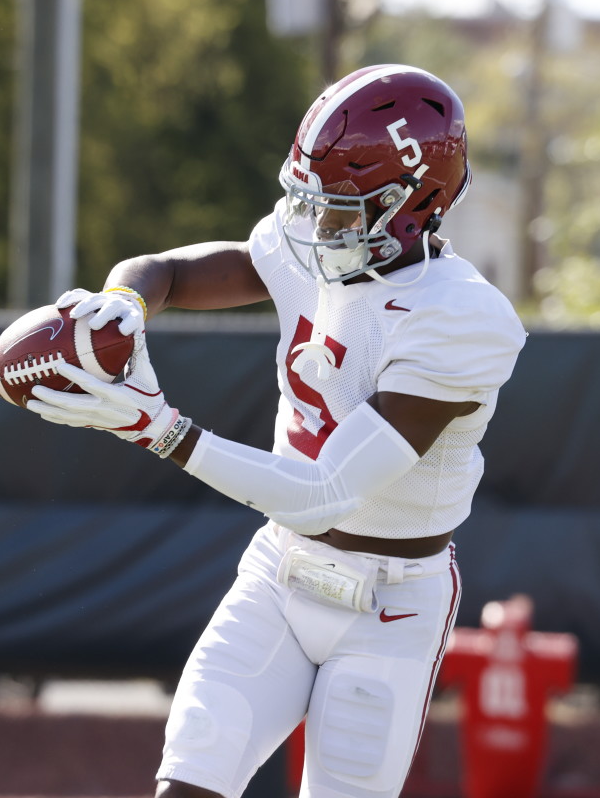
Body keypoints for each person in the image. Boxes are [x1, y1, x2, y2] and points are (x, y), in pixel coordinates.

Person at [26, 64, 527, 798]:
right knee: (188, 780)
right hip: (279, 574)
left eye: (343, 208)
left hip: (389, 602)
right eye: (311, 199)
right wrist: (127, 300)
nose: (317, 225)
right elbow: (171, 267)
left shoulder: (460, 320)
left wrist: (161, 429)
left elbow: (325, 492)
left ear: (416, 205)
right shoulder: (319, 239)